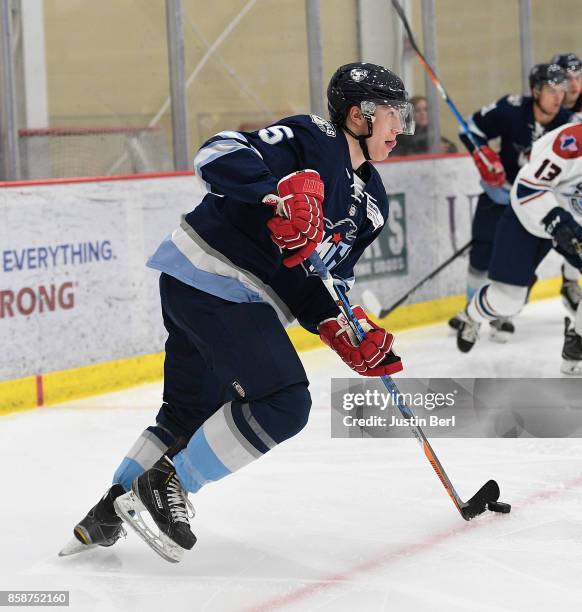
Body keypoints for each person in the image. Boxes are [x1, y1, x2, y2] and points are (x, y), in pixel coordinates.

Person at [59, 62, 413, 562]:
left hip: (218, 295)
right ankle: (170, 484)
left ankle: (110, 510)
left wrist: (343, 326)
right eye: (394, 115)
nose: (401, 128)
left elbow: (323, 281)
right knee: (285, 400)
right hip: (215, 276)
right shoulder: (313, 137)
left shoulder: (372, 204)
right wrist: (275, 194)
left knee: (185, 413)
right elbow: (217, 152)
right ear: (360, 115)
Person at [449, 63, 573, 340]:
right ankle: (470, 311)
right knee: (481, 253)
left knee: (521, 263)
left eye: (561, 91)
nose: (558, 98)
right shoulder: (511, 108)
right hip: (501, 194)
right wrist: (481, 153)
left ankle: (500, 312)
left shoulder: (568, 123)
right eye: (552, 91)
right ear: (536, 90)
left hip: (537, 206)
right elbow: (468, 127)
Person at [455, 121, 582, 375]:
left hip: (573, 223)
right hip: (529, 216)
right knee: (508, 301)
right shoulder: (572, 141)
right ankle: (472, 315)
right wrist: (557, 222)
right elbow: (527, 188)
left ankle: (576, 341)